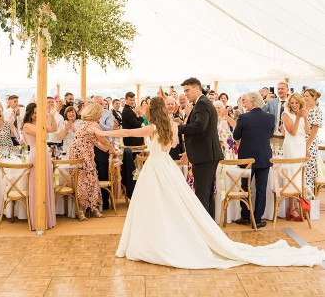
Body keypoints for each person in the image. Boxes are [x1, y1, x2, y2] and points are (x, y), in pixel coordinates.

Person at [99, 96, 324, 268]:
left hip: (156, 168)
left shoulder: (153, 128)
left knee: (153, 206)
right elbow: (176, 145)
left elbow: (128, 130)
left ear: (151, 111)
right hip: (166, 167)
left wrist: (101, 131)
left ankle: (153, 242)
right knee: (170, 205)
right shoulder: (172, 127)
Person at [178, 78, 223, 219]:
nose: (186, 94)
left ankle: (205, 230)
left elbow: (199, 126)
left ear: (197, 88)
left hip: (205, 156)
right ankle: (209, 228)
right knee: (207, 194)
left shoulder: (202, 103)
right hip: (207, 154)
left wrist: (178, 128)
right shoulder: (202, 102)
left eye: (187, 90)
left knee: (202, 194)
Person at [233, 91, 274, 228]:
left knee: (245, 187)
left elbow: (236, 136)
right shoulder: (270, 118)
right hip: (264, 156)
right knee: (261, 189)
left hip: (246, 159)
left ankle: (245, 216)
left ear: (252, 102)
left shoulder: (244, 117)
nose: (244, 103)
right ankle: (257, 219)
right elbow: (270, 134)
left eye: (246, 101)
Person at [68, 103, 116, 220]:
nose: (101, 114)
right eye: (100, 112)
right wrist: (113, 150)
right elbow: (103, 141)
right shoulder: (94, 125)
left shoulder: (82, 124)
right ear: (95, 113)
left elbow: (96, 142)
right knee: (84, 181)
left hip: (80, 155)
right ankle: (82, 210)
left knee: (90, 180)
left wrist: (107, 150)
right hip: (82, 156)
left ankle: (92, 207)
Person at [22, 103, 57, 231]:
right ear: (30, 113)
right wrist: (44, 119)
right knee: (37, 185)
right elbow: (41, 133)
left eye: (38, 113)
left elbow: (53, 128)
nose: (36, 115)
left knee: (46, 184)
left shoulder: (40, 123)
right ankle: (37, 219)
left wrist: (52, 116)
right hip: (36, 154)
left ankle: (48, 219)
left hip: (45, 154)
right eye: (34, 113)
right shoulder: (27, 125)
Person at [282, 93, 309, 221]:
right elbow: (292, 132)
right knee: (292, 175)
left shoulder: (302, 114)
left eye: (296, 103)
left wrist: (305, 117)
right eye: (292, 103)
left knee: (299, 176)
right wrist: (298, 117)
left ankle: (296, 207)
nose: (293, 105)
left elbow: (307, 131)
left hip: (301, 146)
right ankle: (291, 208)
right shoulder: (286, 114)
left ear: (300, 104)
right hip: (291, 146)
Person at [93, 95, 114, 210]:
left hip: (103, 147)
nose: (99, 106)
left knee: (103, 173)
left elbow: (110, 130)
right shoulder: (88, 115)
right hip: (91, 146)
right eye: (96, 104)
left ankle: (105, 202)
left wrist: (98, 124)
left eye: (101, 104)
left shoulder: (108, 114)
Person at [303, 89, 323, 193]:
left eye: (307, 96)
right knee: (302, 172)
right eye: (304, 96)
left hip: (310, 145)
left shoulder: (316, 110)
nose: (305, 98)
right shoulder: (305, 110)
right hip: (302, 143)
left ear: (313, 97)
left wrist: (306, 147)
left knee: (308, 173)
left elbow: (314, 132)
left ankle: (309, 203)